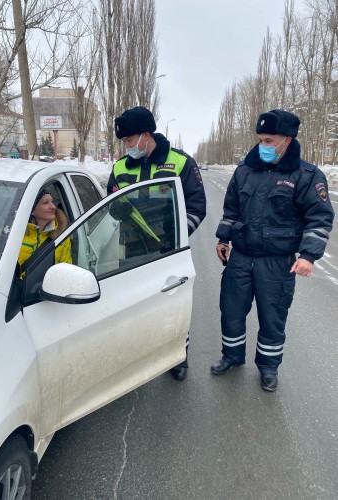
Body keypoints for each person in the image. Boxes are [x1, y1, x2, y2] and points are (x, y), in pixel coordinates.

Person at [210, 109, 335, 392]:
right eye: (261, 140)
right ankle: (231, 356)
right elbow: (231, 209)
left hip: (276, 263)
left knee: (272, 316)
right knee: (231, 310)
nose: (263, 146)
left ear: (287, 140)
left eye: (269, 140)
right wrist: (223, 239)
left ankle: (268, 367)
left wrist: (307, 256)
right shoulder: (244, 171)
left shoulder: (306, 176)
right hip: (240, 258)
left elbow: (319, 217)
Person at [108, 106, 207, 381]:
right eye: (125, 142)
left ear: (146, 135)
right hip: (130, 249)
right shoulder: (119, 167)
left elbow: (197, 207)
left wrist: (175, 237)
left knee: (173, 305)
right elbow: (111, 206)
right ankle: (138, 356)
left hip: (168, 252)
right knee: (133, 306)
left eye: (130, 141)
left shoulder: (180, 163)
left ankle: (177, 356)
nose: (128, 147)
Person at [18, 188, 72, 274]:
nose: (53, 206)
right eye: (46, 203)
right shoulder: (13, 233)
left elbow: (67, 272)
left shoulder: (62, 236)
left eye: (52, 202)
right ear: (31, 210)